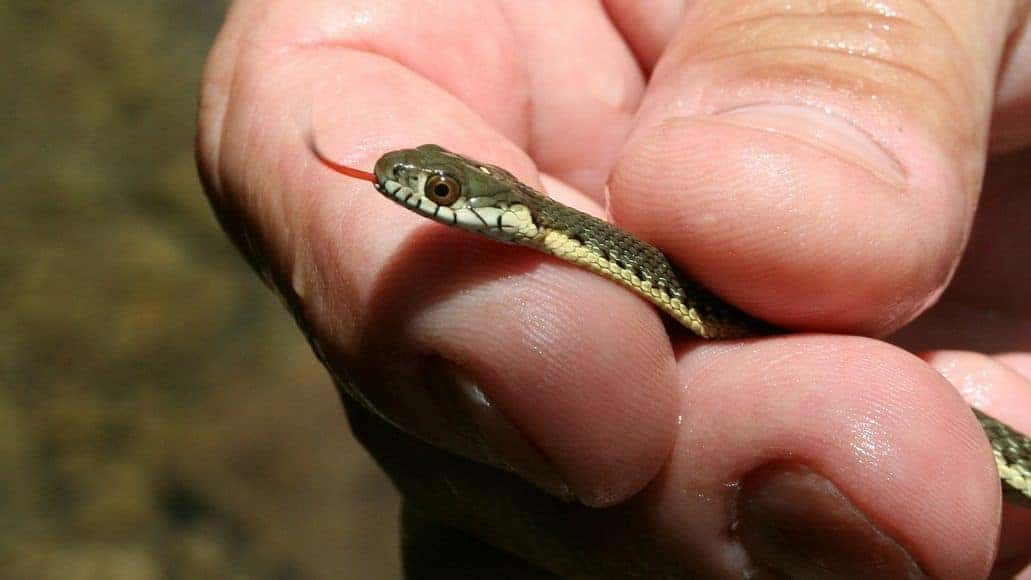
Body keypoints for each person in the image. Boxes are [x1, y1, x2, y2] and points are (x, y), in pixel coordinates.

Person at [196, 1, 1031, 577]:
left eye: (440, 193)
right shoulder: (567, 257)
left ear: (511, 212)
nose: (416, 196)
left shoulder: (587, 240)